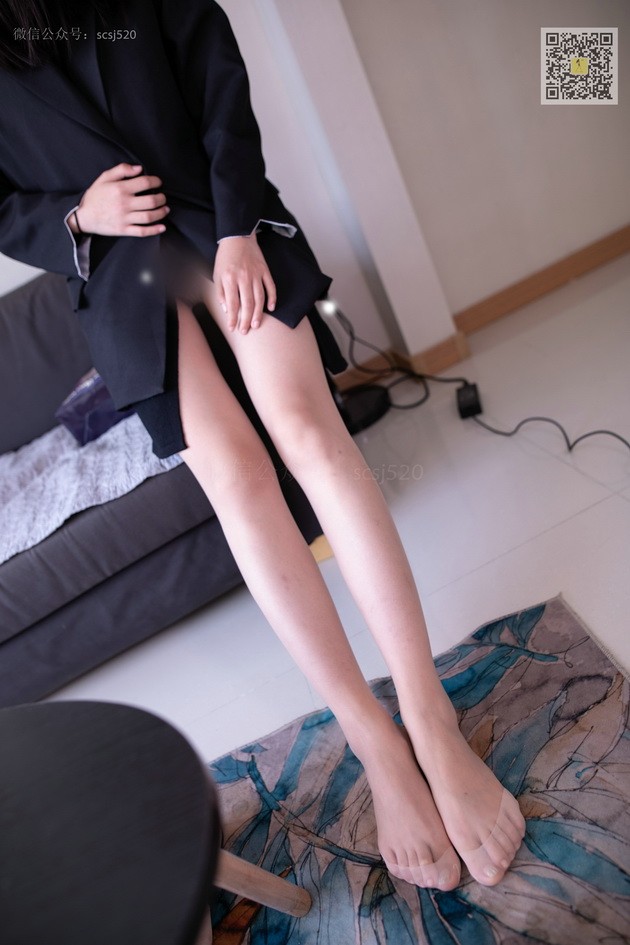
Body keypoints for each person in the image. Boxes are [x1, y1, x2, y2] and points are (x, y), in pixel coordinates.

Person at [0, 0, 525, 892]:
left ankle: (429, 718)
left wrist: (239, 231)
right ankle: (374, 740)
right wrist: (77, 216)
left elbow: (219, 88)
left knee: (311, 435)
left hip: (219, 207)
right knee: (237, 481)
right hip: (116, 269)